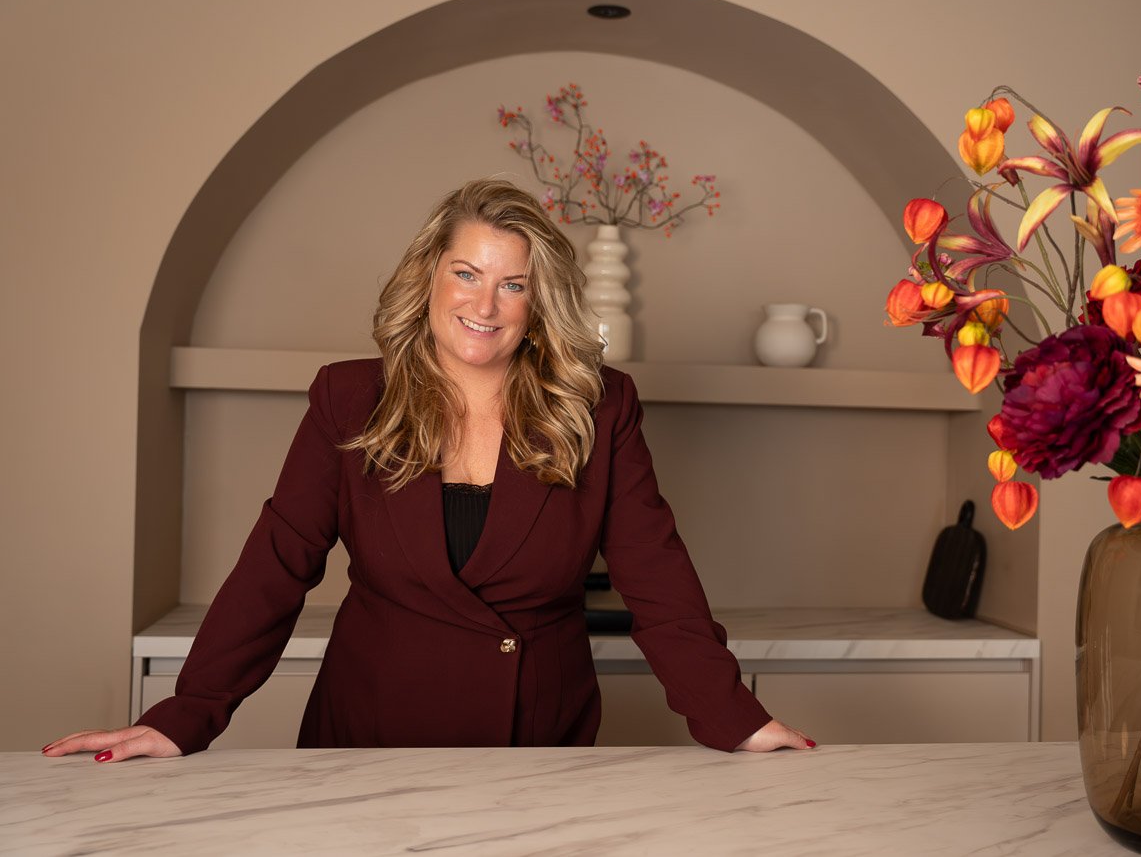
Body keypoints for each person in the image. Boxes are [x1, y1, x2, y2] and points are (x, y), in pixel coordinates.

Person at [43, 179, 813, 762]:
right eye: (467, 273)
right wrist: (185, 715)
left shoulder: (599, 405)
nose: (487, 302)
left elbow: (657, 576)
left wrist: (737, 720)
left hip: (535, 742)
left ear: (539, 302)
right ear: (431, 278)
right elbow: (276, 565)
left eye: (514, 283)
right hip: (370, 730)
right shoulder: (350, 397)